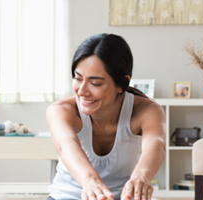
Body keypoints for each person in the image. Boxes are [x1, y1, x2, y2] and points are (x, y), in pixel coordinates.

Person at [46, 34, 165, 200]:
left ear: (121, 84)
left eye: (95, 83)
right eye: (78, 78)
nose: (82, 91)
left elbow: (156, 143)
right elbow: (66, 144)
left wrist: (142, 175)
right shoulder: (62, 110)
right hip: (68, 196)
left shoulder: (146, 110)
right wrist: (89, 182)